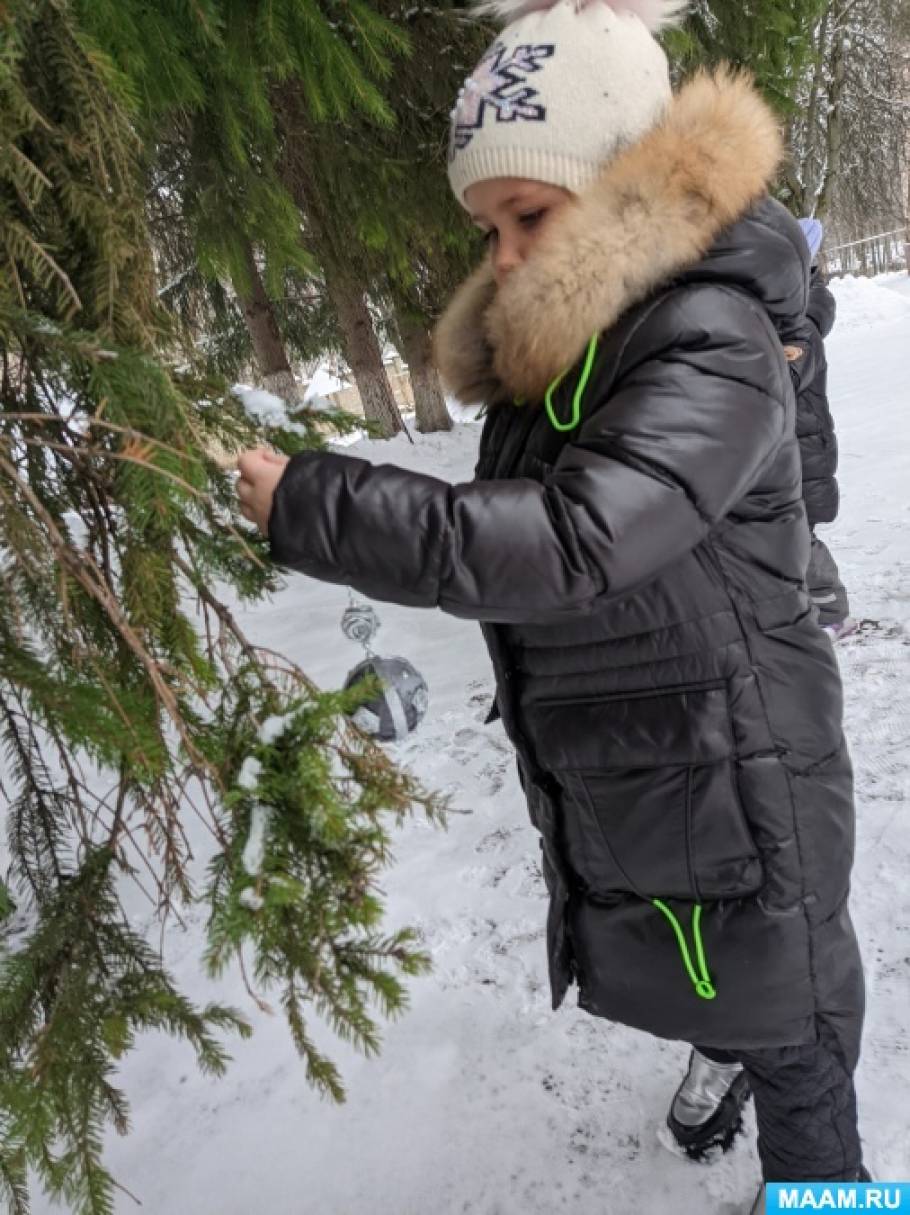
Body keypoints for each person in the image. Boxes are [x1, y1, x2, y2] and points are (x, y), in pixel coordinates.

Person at [236, 0, 867, 1204]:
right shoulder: (568, 360)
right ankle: (722, 1042)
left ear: (630, 184)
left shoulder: (708, 339)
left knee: (803, 1036)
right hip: (650, 758)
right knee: (720, 965)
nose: (506, 258)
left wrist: (326, 509)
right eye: (488, 229)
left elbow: (575, 540)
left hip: (747, 766)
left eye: (529, 216)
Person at [787, 219, 856, 642]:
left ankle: (832, 611)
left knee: (799, 529)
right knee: (789, 528)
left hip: (802, 445)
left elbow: (785, 374)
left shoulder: (803, 320)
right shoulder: (792, 311)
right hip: (791, 441)